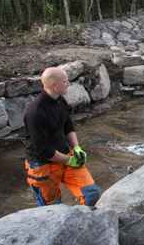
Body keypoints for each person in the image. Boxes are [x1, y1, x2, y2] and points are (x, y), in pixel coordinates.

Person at [24, 67, 101, 206]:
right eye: (65, 81)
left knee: (92, 193)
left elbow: (68, 127)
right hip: (42, 165)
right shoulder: (35, 113)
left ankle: (85, 222)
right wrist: (69, 160)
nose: (69, 84)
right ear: (53, 85)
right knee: (54, 209)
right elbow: (43, 150)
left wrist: (76, 149)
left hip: (64, 156)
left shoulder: (60, 101)